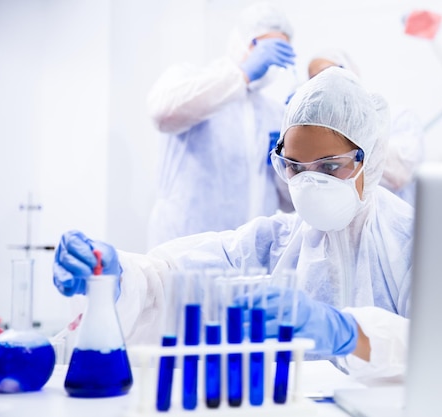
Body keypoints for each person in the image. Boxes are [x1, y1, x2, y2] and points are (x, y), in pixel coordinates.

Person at [53, 67, 413, 380]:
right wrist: (118, 279)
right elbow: (173, 284)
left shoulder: (414, 242)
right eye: (295, 168)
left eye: (330, 167)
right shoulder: (270, 243)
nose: (309, 183)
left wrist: (350, 334)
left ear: (371, 158)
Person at [146, 2, 296, 249]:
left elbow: (288, 202)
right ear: (240, 41)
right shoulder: (192, 81)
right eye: (263, 47)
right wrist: (241, 74)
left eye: (280, 51)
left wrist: (294, 139)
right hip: (183, 254)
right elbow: (162, 113)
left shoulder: (273, 113)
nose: (270, 60)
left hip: (248, 258)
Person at [308, 48, 425, 206]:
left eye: (329, 72)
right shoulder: (320, 133)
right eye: (314, 79)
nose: (323, 82)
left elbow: (400, 174)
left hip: (393, 222)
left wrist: (350, 125)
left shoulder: (399, 116)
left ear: (349, 71)